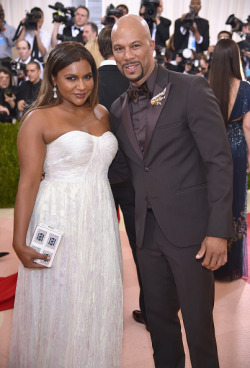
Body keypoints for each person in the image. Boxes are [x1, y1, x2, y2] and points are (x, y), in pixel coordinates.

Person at [109, 14, 233, 368]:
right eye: (119, 48)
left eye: (135, 45)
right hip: (146, 237)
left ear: (152, 45)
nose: (128, 55)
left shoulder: (190, 87)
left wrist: (217, 231)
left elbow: (219, 161)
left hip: (193, 235)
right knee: (159, 326)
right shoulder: (117, 109)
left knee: (198, 328)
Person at [8, 41, 123, 367]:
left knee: (96, 296)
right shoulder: (38, 119)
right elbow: (28, 182)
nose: (82, 86)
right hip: (59, 219)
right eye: (71, 78)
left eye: (87, 77)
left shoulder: (101, 113)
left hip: (100, 218)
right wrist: (19, 241)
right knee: (61, 301)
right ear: (54, 78)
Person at [97, 24, 147, 327]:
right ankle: (153, 310)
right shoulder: (137, 80)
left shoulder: (87, 83)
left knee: (98, 244)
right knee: (143, 247)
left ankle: (98, 313)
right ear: (114, 48)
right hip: (134, 178)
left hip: (98, 178)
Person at [209, 39, 250, 282]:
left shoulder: (206, 86)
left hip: (213, 149)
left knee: (214, 200)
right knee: (235, 201)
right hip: (235, 150)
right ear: (235, 58)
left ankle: (210, 260)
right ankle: (231, 264)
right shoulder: (245, 88)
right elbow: (247, 126)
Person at [0, 3, 16, 70]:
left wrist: (3, 30)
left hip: (6, 61)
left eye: (1, 11)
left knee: (6, 80)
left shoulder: (11, 29)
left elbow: (12, 43)